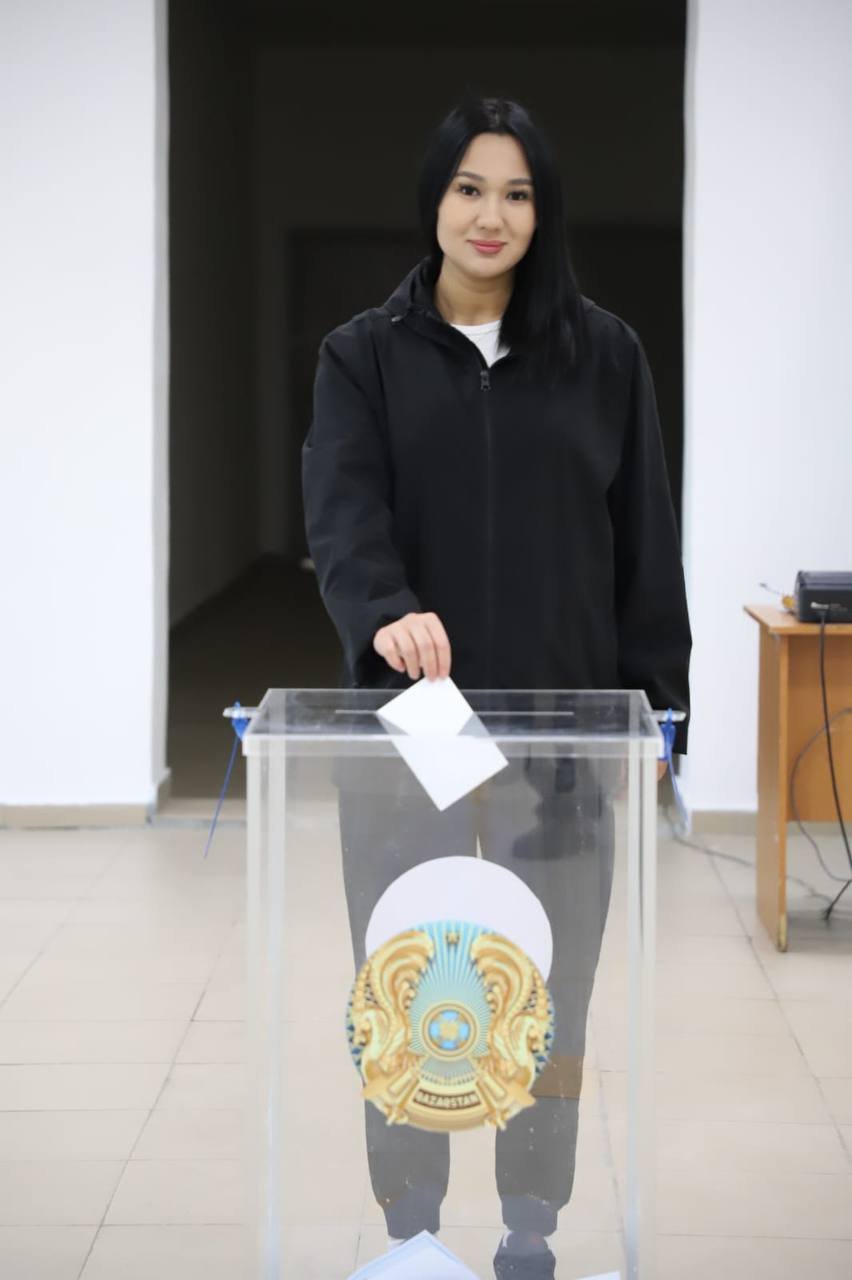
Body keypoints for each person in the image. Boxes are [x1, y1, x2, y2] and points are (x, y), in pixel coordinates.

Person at [302, 95, 691, 1280]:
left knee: (547, 987)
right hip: (411, 727)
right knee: (409, 974)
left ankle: (529, 1225)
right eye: (470, 188)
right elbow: (344, 513)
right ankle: (412, 1229)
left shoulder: (605, 355)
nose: (492, 215)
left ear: (543, 210)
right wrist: (386, 608)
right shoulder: (363, 355)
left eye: (517, 193)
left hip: (565, 733)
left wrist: (658, 711)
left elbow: (645, 540)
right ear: (435, 199)